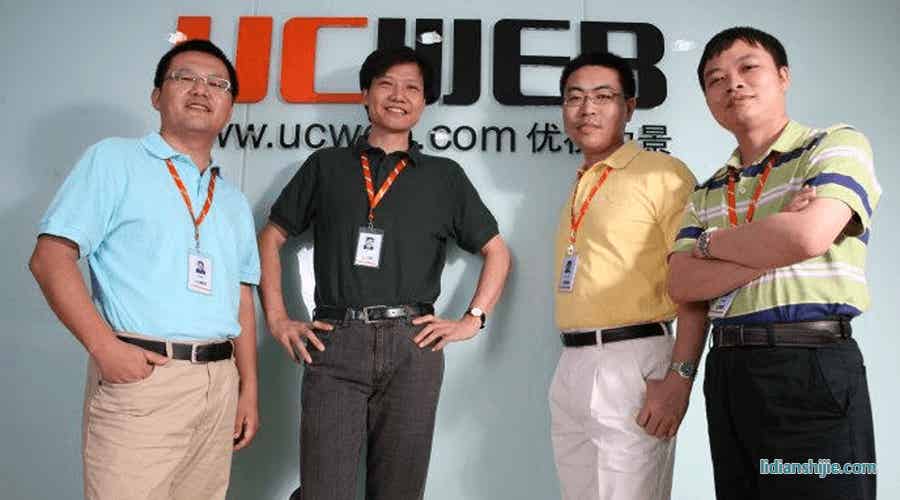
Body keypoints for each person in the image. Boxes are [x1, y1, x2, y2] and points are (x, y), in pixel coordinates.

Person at [258, 46, 511, 500]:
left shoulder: (444, 176)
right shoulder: (326, 165)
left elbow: (497, 252)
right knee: (324, 491)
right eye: (386, 84)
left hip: (413, 346)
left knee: (400, 492)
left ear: (424, 101)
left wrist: (472, 319)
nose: (399, 96)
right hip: (335, 340)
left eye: (412, 87)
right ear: (365, 94)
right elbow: (271, 237)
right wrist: (277, 318)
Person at [29, 39, 261, 500]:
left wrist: (248, 387)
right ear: (157, 96)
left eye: (217, 84)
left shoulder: (232, 200)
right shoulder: (115, 160)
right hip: (147, 377)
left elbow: (240, 298)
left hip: (219, 385)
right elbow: (50, 257)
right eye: (185, 77)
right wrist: (104, 347)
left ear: (230, 107)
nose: (201, 89)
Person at [668, 26, 879, 499]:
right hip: (728, 372)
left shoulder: (835, 144)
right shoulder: (706, 190)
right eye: (716, 79)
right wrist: (772, 242)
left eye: (748, 68)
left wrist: (711, 244)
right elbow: (682, 283)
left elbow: (808, 235)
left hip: (811, 366)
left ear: (783, 76)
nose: (733, 84)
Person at [549, 51, 703, 500]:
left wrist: (680, 377)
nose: (587, 109)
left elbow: (695, 281)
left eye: (603, 96)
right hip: (572, 362)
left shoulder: (663, 174)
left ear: (629, 107)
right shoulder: (582, 181)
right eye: (574, 97)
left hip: (634, 360)